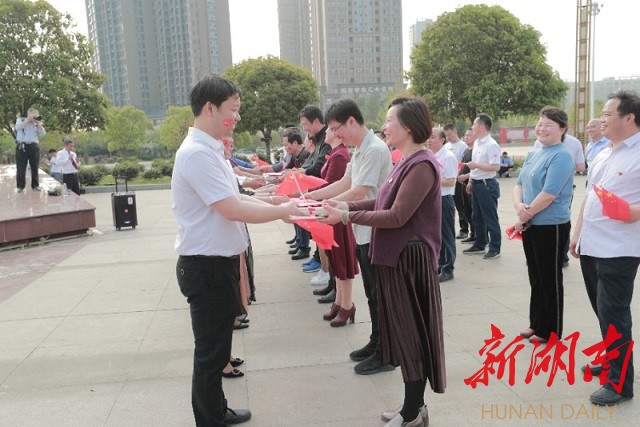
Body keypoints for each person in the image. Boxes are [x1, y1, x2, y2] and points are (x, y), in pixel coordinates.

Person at [171, 74, 302, 426]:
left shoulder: (211, 150)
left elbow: (236, 197)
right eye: (233, 109)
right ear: (210, 108)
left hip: (217, 265)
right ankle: (210, 419)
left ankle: (217, 410)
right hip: (206, 267)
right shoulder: (197, 154)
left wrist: (274, 201)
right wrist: (282, 212)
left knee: (217, 349)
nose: (238, 117)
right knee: (211, 354)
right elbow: (231, 209)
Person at [321, 96, 445, 426]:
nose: (385, 126)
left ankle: (412, 412)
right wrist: (345, 208)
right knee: (406, 336)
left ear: (409, 127)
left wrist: (345, 216)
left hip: (410, 261)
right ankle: (413, 408)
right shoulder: (405, 161)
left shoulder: (422, 165)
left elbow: (397, 215)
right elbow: (381, 201)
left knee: (412, 337)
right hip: (398, 257)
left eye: (390, 120)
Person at [306, 98, 393, 375]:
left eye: (336, 128)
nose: (335, 134)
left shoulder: (375, 149)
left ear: (351, 121)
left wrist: (329, 207)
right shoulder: (359, 150)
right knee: (371, 292)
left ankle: (386, 352)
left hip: (376, 232)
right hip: (362, 230)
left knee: (379, 294)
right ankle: (376, 342)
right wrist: (310, 197)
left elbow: (360, 190)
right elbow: (345, 183)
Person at [570, 90, 640, 406]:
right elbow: (591, 196)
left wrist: (632, 212)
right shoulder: (603, 153)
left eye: (608, 114)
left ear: (629, 118)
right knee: (603, 311)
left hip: (619, 248)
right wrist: (577, 234)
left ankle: (620, 384)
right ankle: (612, 361)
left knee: (614, 313)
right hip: (592, 245)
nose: (601, 119)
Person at [512, 106, 574, 345]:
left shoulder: (562, 155)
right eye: (540, 124)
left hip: (551, 225)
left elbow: (549, 194)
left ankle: (551, 330)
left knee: (550, 278)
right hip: (531, 223)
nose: (542, 129)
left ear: (562, 129)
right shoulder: (535, 153)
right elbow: (518, 184)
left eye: (549, 125)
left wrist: (523, 216)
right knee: (535, 275)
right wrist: (519, 206)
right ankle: (537, 322)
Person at [319, 127, 359, 327]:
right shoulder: (337, 153)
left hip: (338, 210)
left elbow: (335, 185)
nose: (327, 132)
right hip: (333, 208)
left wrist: (312, 196)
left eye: (331, 128)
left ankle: (347, 304)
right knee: (336, 259)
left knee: (342, 259)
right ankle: (340, 302)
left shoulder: (340, 155)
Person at [463, 113, 502, 259]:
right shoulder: (478, 143)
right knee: (476, 217)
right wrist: (471, 181)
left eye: (474, 125)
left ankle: (495, 247)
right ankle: (480, 243)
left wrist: (477, 165)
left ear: (481, 126)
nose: (472, 127)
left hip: (487, 185)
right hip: (477, 183)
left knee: (490, 218)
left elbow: (496, 167)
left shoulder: (491, 144)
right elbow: (475, 166)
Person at [427, 127, 457, 283]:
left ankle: (448, 268)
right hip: (432, 200)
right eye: (428, 137)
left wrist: (429, 179)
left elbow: (450, 180)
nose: (429, 140)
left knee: (446, 235)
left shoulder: (448, 156)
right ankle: (438, 265)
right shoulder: (430, 155)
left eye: (433, 137)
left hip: (444, 200)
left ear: (442, 140)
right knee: (435, 235)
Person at [444, 124, 470, 239]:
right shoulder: (446, 146)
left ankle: (464, 229)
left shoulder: (463, 146)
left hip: (459, 180)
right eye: (446, 136)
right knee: (452, 205)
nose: (448, 138)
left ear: (455, 132)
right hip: (448, 179)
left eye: (449, 135)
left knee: (461, 205)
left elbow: (464, 163)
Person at [14, 107, 46, 192]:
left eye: (36, 115)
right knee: (21, 167)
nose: (34, 117)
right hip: (22, 146)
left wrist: (38, 124)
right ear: (28, 114)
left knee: (35, 167)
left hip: (34, 146)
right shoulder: (21, 120)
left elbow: (42, 134)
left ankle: (35, 185)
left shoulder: (36, 124)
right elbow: (18, 127)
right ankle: (20, 186)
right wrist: (28, 120)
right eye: (33, 115)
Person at [457, 129, 475, 243]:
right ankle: (472, 234)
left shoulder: (476, 151)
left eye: (469, 135)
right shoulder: (466, 151)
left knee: (474, 212)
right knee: (467, 210)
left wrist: (467, 177)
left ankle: (479, 236)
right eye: (465, 135)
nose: (466, 137)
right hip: (463, 185)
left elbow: (476, 168)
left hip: (471, 185)